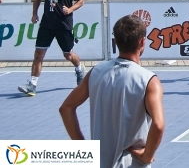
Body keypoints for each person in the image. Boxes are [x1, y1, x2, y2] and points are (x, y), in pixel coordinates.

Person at [59, 15, 165, 167]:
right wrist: (147, 155)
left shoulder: (96, 72)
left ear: (115, 41)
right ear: (142, 41)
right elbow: (158, 125)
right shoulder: (149, 80)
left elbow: (66, 108)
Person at [18, 0, 86, 96]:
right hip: (47, 25)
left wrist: (70, 9)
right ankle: (32, 85)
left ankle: (79, 69)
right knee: (39, 54)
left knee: (68, 55)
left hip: (64, 25)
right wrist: (34, 13)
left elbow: (81, 1)